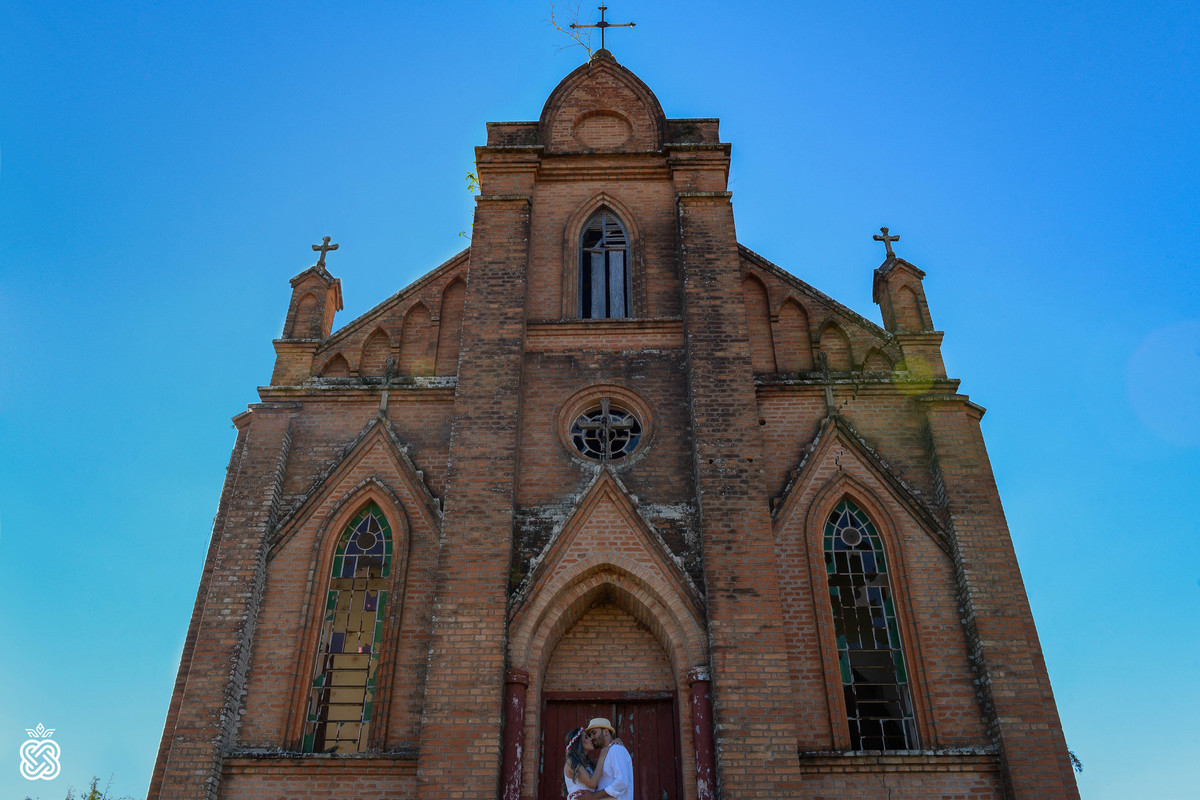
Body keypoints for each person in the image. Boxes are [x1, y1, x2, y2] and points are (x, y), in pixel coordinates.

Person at [575, 717, 633, 800]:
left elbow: (622, 783)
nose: (591, 738)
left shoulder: (616, 749)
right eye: (590, 735)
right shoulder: (606, 753)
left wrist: (594, 796)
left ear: (605, 732)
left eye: (594, 733)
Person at [562, 726, 611, 800]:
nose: (591, 738)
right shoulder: (571, 761)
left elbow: (608, 762)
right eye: (586, 737)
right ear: (579, 742)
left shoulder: (589, 762)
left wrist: (616, 740)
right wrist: (601, 756)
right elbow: (592, 783)